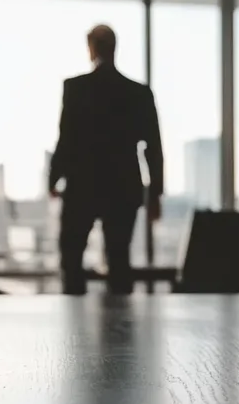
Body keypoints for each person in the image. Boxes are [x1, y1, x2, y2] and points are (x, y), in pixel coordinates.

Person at [49, 25, 163, 295]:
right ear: (114, 48)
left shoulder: (76, 88)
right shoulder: (138, 93)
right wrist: (155, 194)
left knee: (72, 257)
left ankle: (74, 315)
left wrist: (53, 178)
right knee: (119, 258)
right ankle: (120, 318)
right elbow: (153, 147)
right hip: (123, 186)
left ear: (91, 49)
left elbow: (66, 139)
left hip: (82, 184)